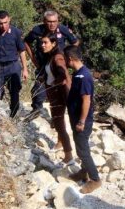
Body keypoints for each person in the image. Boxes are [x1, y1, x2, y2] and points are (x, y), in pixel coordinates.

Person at [24, 10, 80, 118]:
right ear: (44, 21)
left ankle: (60, 116)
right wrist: (33, 59)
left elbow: (75, 42)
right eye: (49, 21)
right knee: (39, 89)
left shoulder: (62, 29)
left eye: (55, 21)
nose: (52, 24)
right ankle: (36, 110)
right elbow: (26, 42)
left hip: (58, 66)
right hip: (43, 65)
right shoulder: (38, 30)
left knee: (61, 89)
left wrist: (68, 59)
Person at [65, 47, 101, 194]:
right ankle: (83, 172)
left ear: (70, 59)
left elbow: (86, 100)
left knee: (83, 150)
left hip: (82, 121)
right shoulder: (78, 74)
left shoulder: (84, 76)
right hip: (76, 118)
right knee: (80, 147)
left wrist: (81, 121)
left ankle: (95, 179)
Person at [39, 34, 74, 164]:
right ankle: (65, 148)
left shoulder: (58, 57)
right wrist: (46, 80)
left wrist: (54, 83)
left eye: (45, 43)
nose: (42, 45)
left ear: (53, 44)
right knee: (59, 124)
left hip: (60, 96)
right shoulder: (50, 57)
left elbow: (63, 73)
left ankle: (69, 155)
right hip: (55, 96)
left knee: (59, 125)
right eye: (42, 43)